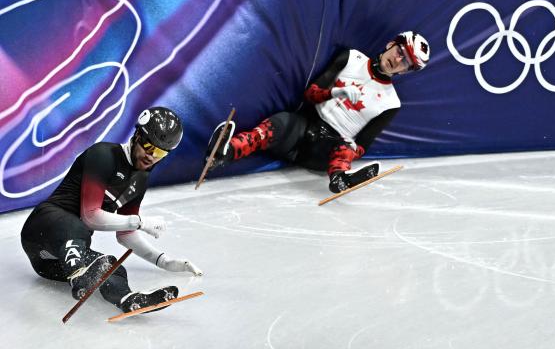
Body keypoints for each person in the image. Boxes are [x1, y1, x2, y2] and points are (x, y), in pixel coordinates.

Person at [21, 107, 203, 314]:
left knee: (111, 266)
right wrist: (140, 222)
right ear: (136, 136)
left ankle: (127, 299)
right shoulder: (104, 155)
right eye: (147, 145)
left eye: (160, 152)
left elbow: (125, 235)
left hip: (49, 263)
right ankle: (80, 274)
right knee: (76, 226)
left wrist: (163, 260)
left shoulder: (140, 179)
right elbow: (90, 217)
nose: (151, 155)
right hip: (41, 229)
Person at [204, 31, 430, 193]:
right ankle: (225, 152)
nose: (398, 60)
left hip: (324, 153)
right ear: (391, 44)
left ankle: (340, 179)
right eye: (400, 51)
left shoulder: (392, 103)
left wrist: (350, 151)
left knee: (347, 147)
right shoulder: (351, 58)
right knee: (279, 123)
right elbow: (310, 94)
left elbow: (362, 145)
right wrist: (335, 93)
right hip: (302, 128)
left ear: (407, 71)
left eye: (406, 63)